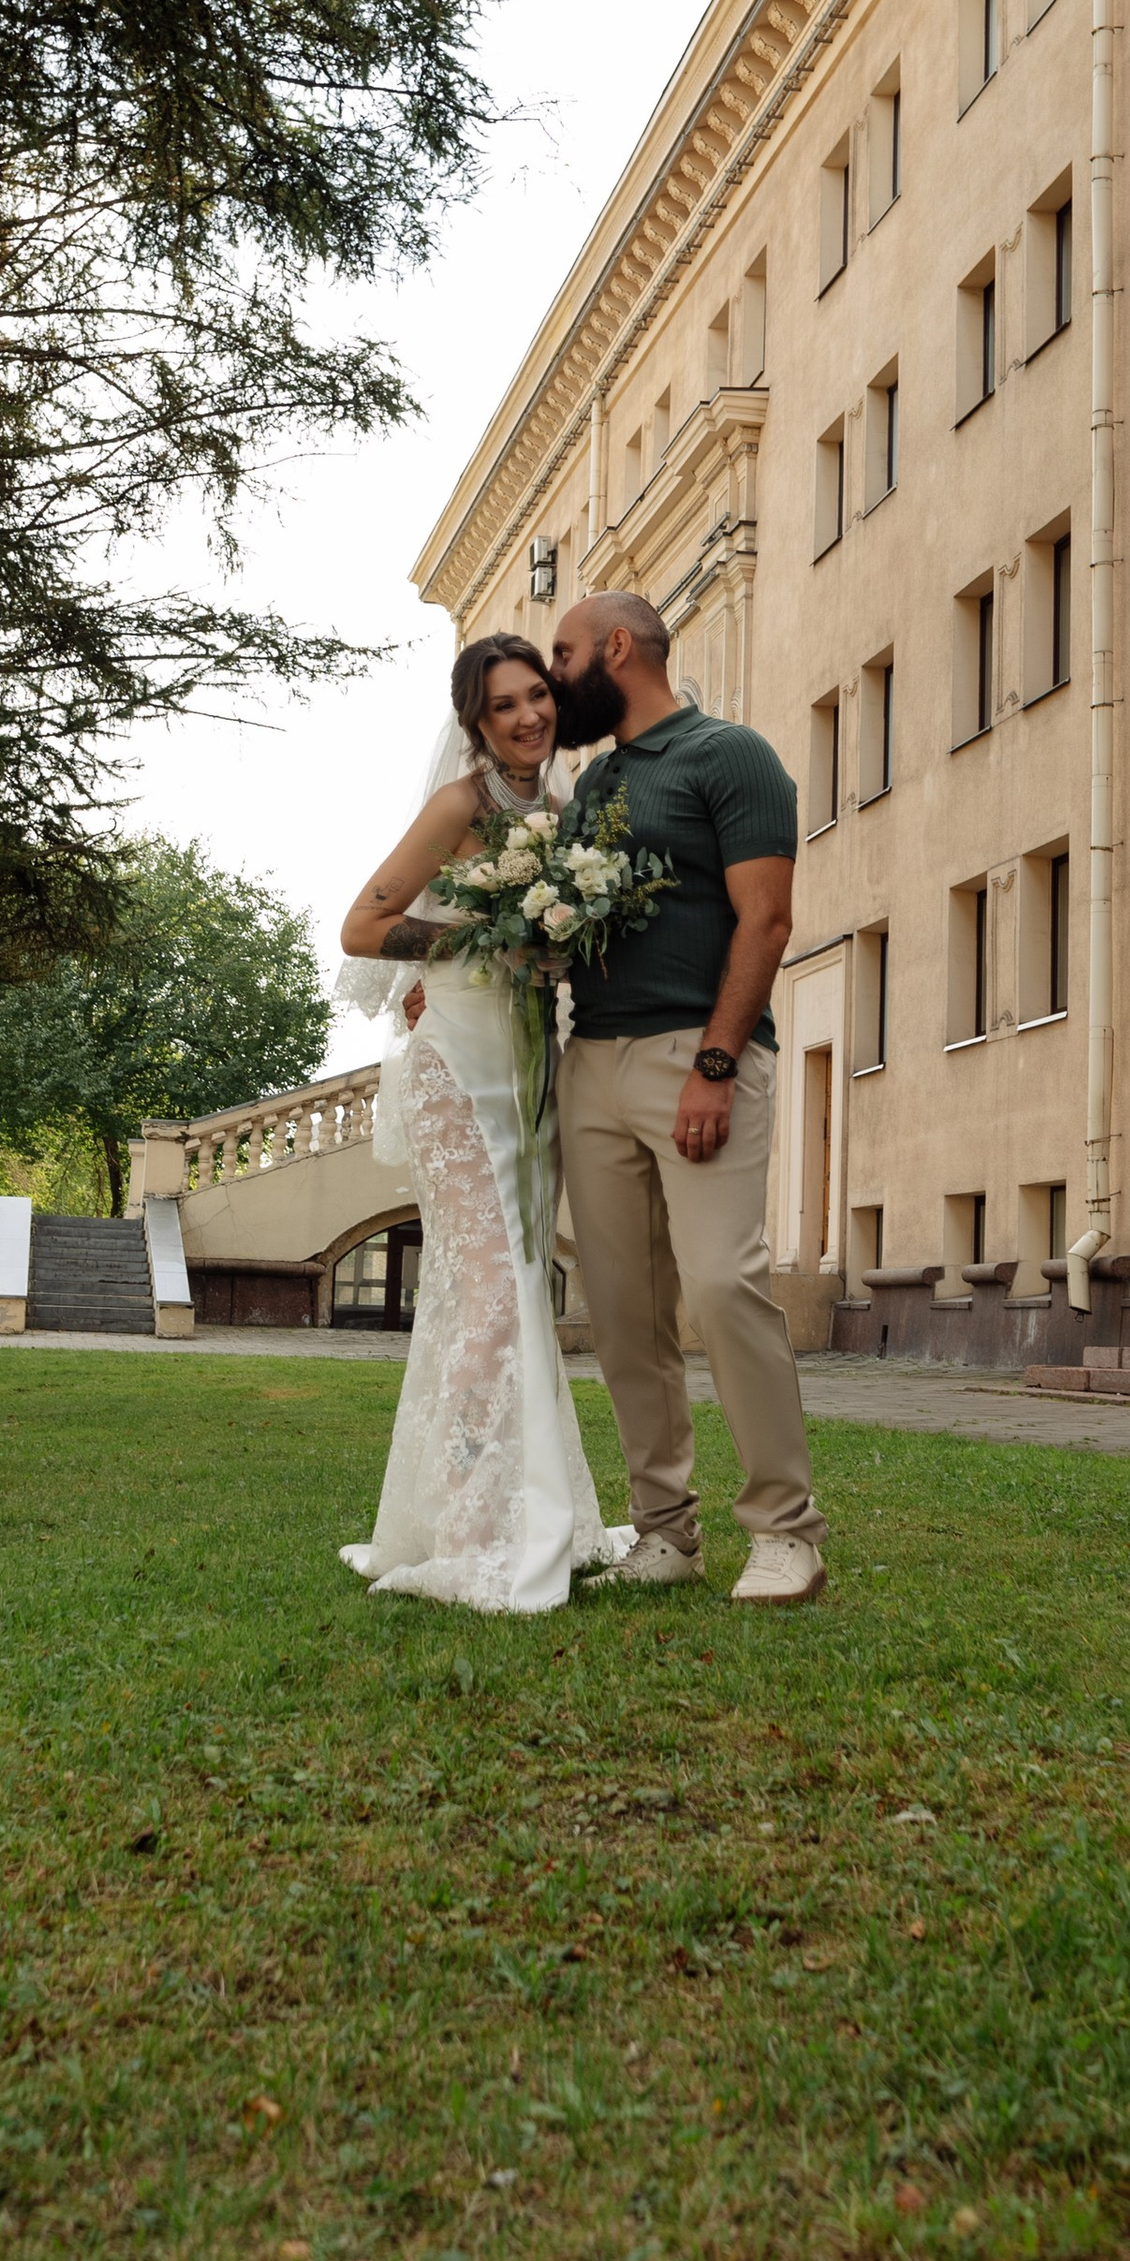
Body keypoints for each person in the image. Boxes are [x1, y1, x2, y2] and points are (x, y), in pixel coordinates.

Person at [332, 636, 635, 1614]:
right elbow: (364, 926)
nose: (525, 717)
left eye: (535, 697)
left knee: (512, 1299)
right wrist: (477, 932)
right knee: (494, 1296)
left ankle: (530, 1507)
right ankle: (468, 1530)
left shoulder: (555, 813)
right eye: (501, 705)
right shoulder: (460, 805)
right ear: (474, 722)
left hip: (526, 1079)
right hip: (458, 1078)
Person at [546, 591, 828, 1607]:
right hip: (593, 1063)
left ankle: (785, 1531)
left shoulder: (730, 754)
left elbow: (767, 918)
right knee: (623, 1314)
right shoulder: (593, 784)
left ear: (617, 648)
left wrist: (714, 1064)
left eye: (565, 651)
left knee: (721, 1284)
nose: (553, 672)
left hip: (697, 1057)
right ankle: (665, 1531)